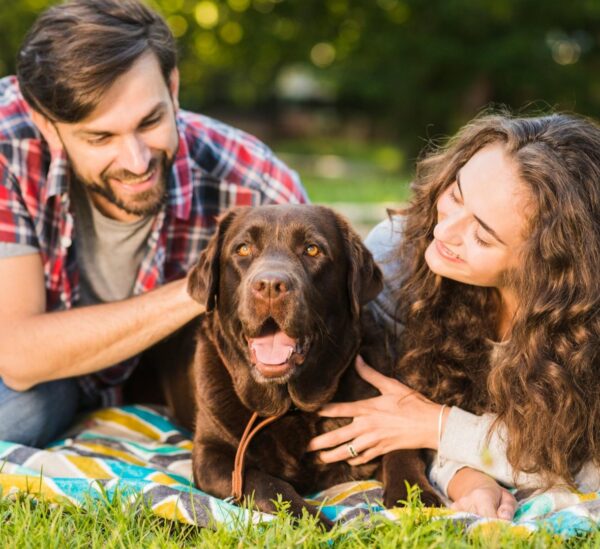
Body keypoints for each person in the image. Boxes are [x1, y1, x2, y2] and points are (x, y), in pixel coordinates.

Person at [0, 0, 306, 447]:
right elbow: (17, 353)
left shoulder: (256, 187)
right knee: (28, 405)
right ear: (47, 125)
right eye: (100, 137)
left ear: (173, 86)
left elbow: (326, 317)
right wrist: (206, 282)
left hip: (146, 384)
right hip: (32, 373)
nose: (137, 161)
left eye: (151, 121)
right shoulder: (8, 145)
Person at [308, 112, 600, 519]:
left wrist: (443, 428)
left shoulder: (586, 324)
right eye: (456, 195)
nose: (443, 232)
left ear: (548, 265)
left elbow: (585, 465)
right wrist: (465, 474)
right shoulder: (398, 260)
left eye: (482, 234)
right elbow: (402, 414)